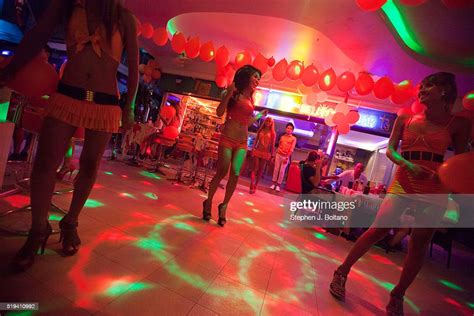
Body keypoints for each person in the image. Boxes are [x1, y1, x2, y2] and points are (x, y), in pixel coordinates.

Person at [0, 0, 139, 271]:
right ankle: (37, 229)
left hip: (106, 102)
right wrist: (12, 68)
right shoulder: (65, 5)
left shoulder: (124, 17)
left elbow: (134, 67)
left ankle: (70, 221)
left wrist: (130, 107)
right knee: (44, 164)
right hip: (67, 94)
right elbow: (38, 34)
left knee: (89, 166)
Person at [329, 72, 471, 315]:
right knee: (378, 229)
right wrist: (408, 165)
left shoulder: (459, 124)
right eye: (422, 85)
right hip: (404, 180)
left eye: (430, 86)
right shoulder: (406, 116)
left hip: (435, 187)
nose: (423, 89)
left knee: (419, 244)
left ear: (445, 91)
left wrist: (449, 180)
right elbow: (391, 151)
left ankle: (397, 295)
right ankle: (342, 271)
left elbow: (460, 160)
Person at [202, 65, 268, 227]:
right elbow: (219, 113)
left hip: (242, 142)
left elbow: (246, 122)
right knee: (222, 170)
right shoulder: (232, 93)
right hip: (227, 137)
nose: (258, 80)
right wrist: (229, 93)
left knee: (236, 173)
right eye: (255, 76)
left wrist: (259, 115)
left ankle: (223, 207)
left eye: (259, 78)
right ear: (246, 77)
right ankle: (208, 201)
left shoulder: (251, 99)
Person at [249, 117, 275, 194]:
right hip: (257, 150)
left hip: (266, 153)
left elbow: (273, 145)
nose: (267, 122)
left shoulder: (273, 133)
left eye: (269, 121)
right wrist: (253, 149)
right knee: (255, 168)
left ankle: (255, 185)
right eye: (266, 121)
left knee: (260, 170)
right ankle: (252, 184)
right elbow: (255, 140)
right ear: (265, 122)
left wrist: (272, 155)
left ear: (271, 123)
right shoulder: (260, 130)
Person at [270, 122, 296, 192]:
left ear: (292, 130)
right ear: (285, 129)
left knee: (282, 171)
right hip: (278, 154)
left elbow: (291, 149)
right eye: (288, 128)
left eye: (290, 129)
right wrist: (274, 155)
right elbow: (279, 147)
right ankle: (273, 183)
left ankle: (278, 185)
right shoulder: (282, 137)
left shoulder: (293, 138)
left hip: (286, 156)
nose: (289, 129)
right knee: (276, 169)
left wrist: (287, 157)